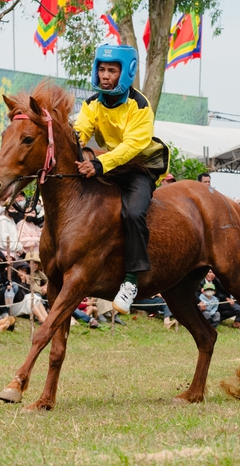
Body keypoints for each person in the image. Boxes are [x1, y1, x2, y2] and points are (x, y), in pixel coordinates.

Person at [74, 44, 168, 315]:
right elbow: (80, 131)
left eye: (111, 70)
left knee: (133, 213)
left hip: (139, 167)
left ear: (126, 73)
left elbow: (130, 147)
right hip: (106, 164)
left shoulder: (140, 105)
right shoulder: (91, 103)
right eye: (101, 69)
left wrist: (98, 164)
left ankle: (131, 281)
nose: (105, 76)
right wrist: (72, 143)